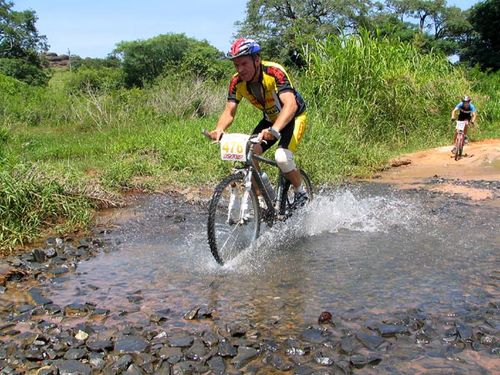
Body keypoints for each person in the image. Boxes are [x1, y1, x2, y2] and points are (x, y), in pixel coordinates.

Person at [208, 38, 309, 206]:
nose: (240, 69)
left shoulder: (274, 72)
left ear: (257, 60)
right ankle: (263, 200)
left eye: (244, 63)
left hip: (293, 117)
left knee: (282, 158)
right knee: (249, 153)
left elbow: (290, 105)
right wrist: (219, 129)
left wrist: (275, 129)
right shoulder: (236, 82)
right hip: (270, 120)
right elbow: (229, 111)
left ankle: (300, 192)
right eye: (236, 65)